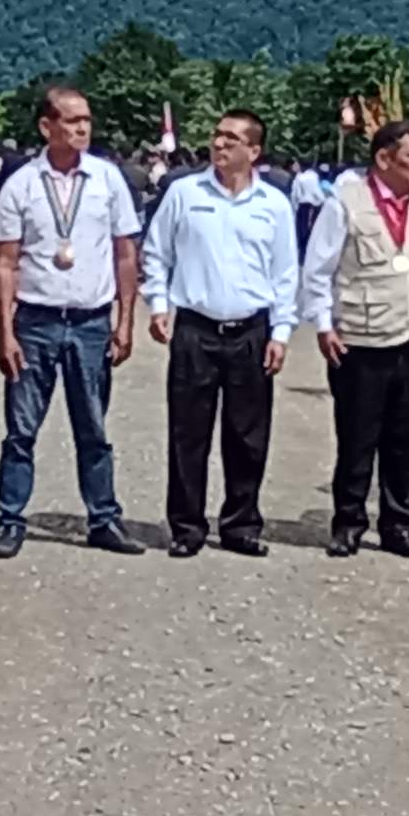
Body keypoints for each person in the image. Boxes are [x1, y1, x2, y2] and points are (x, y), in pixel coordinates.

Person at [0, 83, 144, 559]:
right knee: (21, 428)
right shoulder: (21, 184)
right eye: (72, 121)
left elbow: (124, 253)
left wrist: (125, 322)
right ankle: (11, 519)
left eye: (86, 121)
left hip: (92, 321)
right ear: (46, 126)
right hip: (36, 321)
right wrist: (5, 333)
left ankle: (104, 518)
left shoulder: (107, 179)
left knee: (93, 427)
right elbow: (6, 264)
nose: (82, 129)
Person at [138, 110, 298, 558]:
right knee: (188, 432)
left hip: (251, 329)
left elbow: (286, 273)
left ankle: (241, 524)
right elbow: (156, 251)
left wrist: (281, 332)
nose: (219, 144)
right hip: (194, 327)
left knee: (248, 436)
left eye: (231, 138)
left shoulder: (274, 205)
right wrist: (158, 305)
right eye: (216, 135)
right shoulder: (185, 193)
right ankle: (187, 526)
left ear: (254, 150)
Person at [300, 119, 409, 560]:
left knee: (405, 438)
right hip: (362, 340)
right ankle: (348, 521)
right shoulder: (346, 203)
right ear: (384, 158)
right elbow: (318, 270)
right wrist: (323, 324)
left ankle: (399, 522)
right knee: (357, 436)